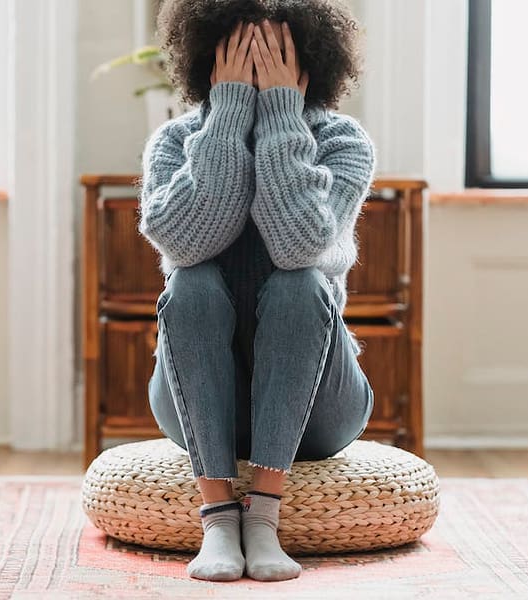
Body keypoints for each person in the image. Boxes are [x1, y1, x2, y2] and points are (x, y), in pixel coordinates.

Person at [139, 0, 376, 583]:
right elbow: (188, 243)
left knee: (299, 283)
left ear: (309, 60)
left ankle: (263, 514)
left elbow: (299, 246)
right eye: (242, 50)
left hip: (319, 407)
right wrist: (227, 118)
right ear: (209, 57)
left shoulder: (343, 142)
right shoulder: (175, 141)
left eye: (275, 53)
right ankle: (219, 514)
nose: (258, 63)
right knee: (190, 282)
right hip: (196, 401)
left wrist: (280, 117)